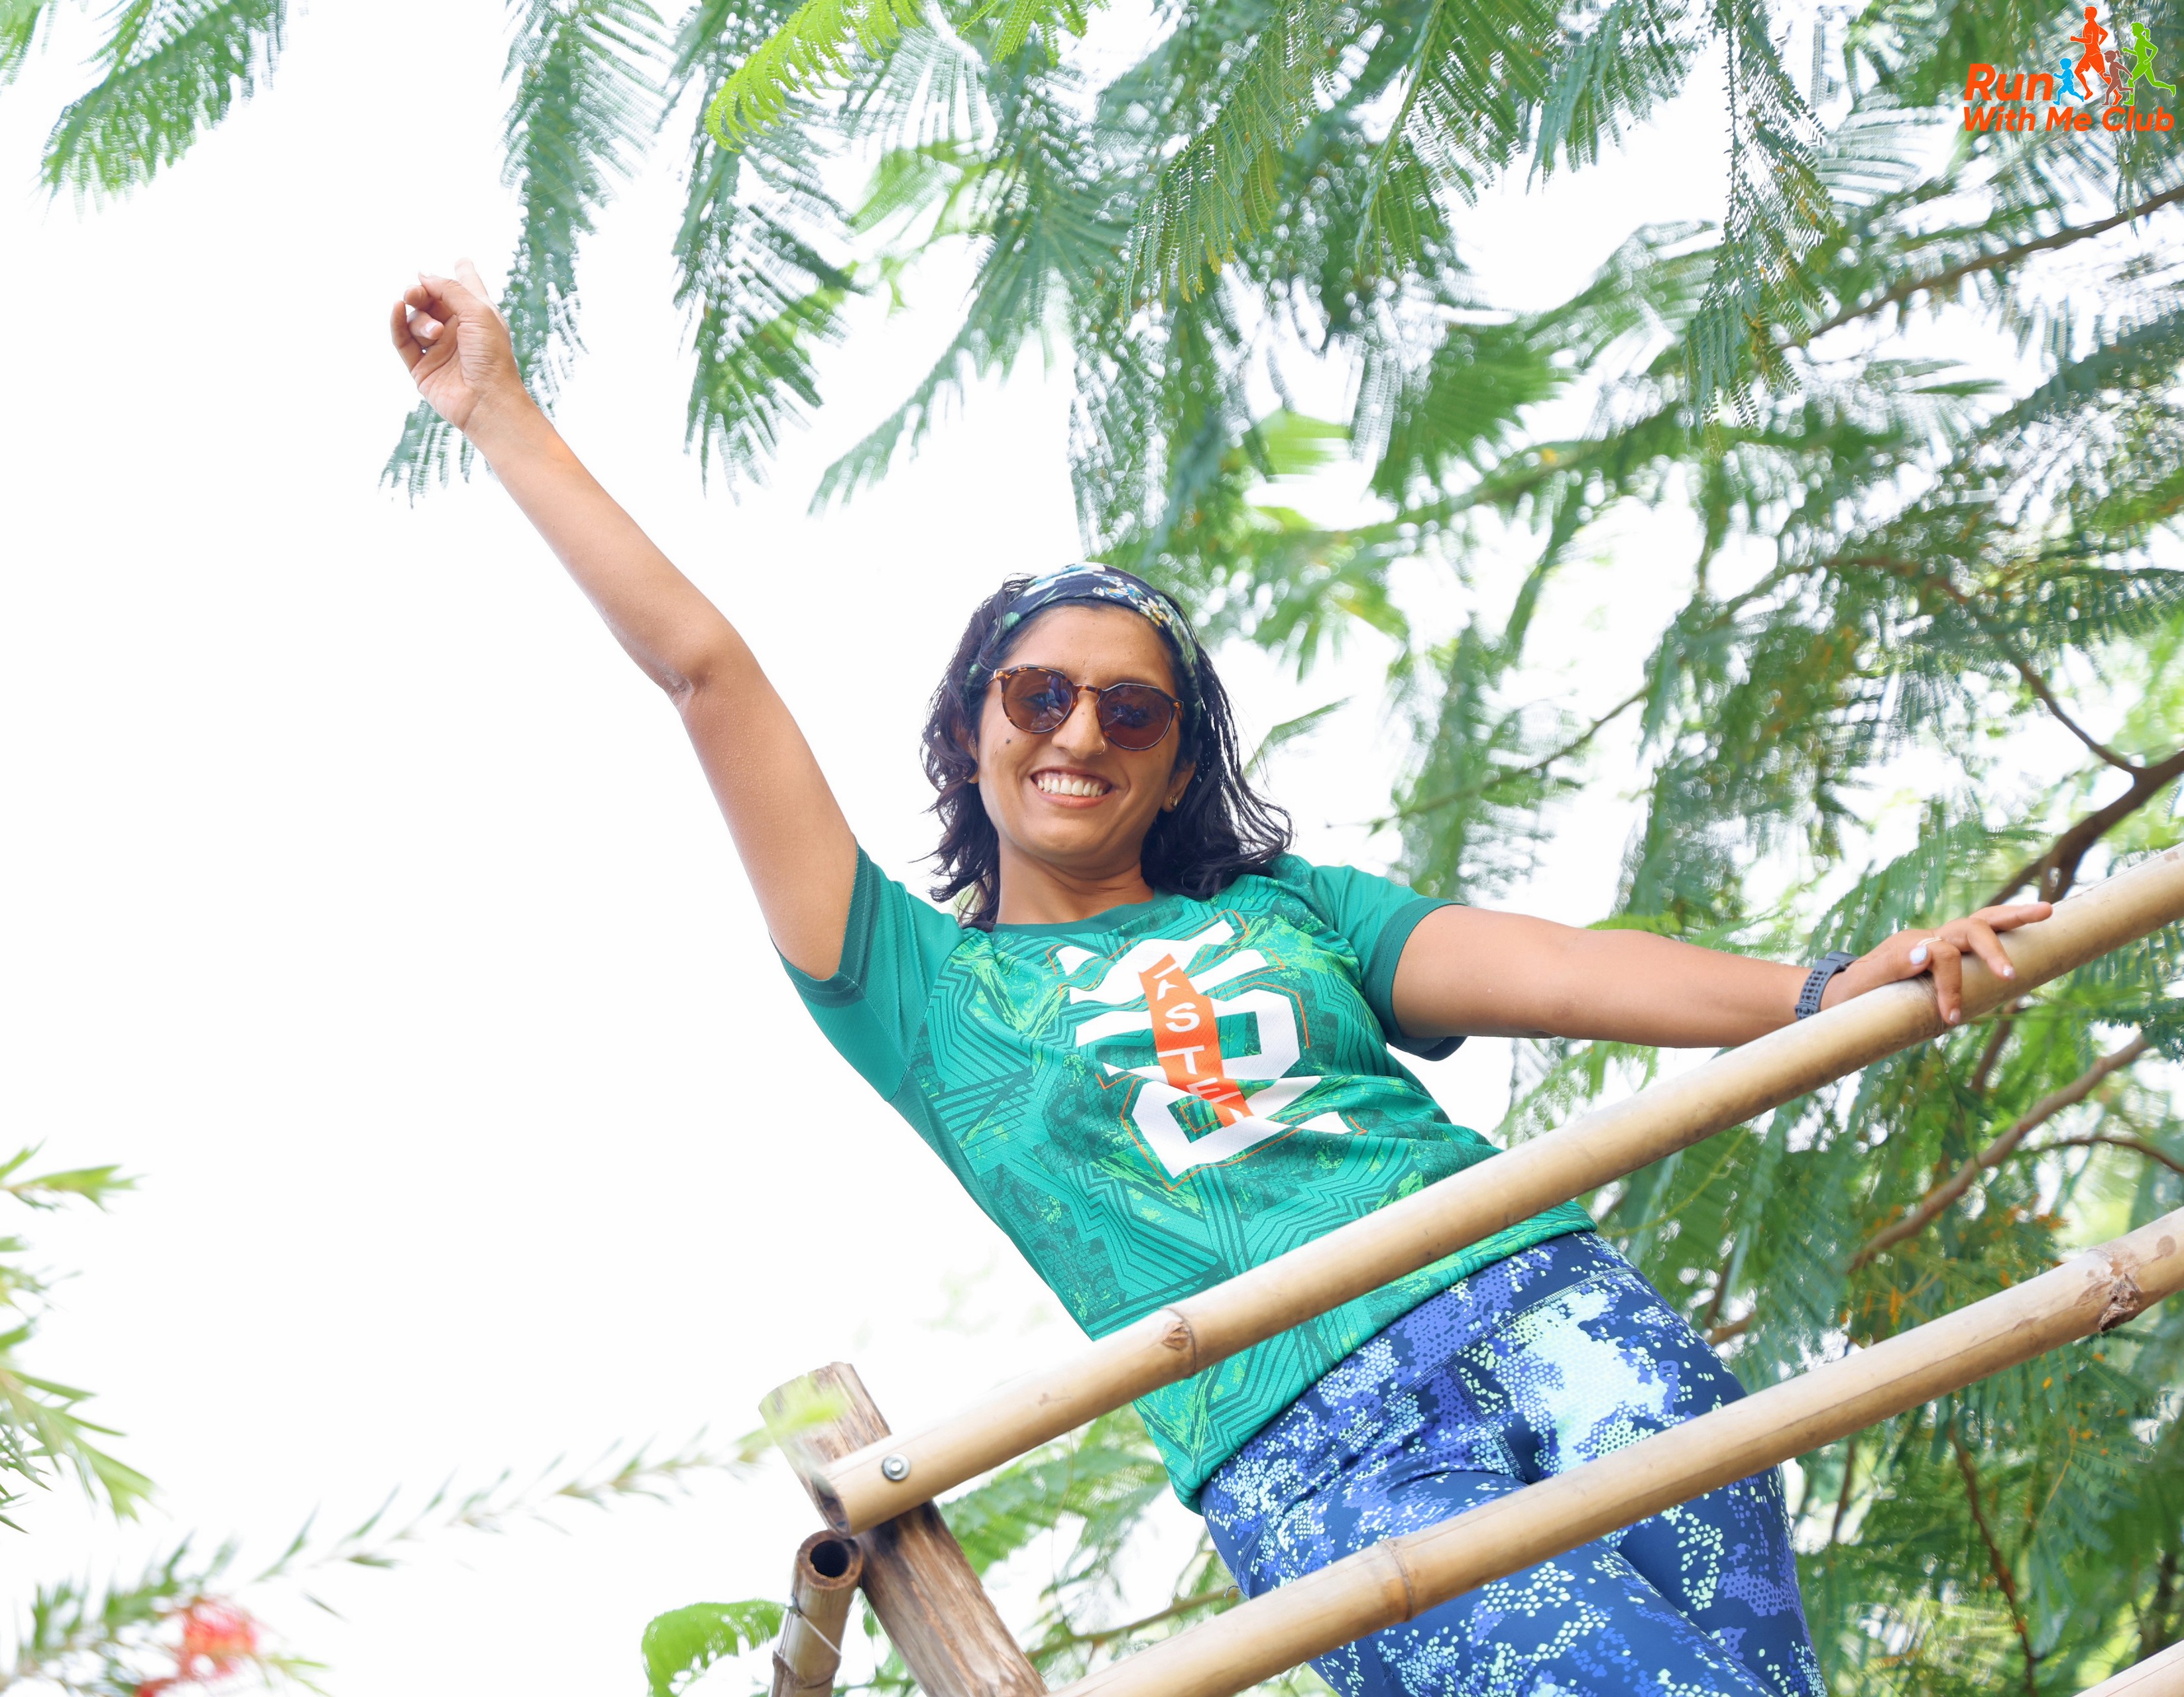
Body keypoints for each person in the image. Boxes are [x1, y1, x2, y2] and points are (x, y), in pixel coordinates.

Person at [389, 263, 2051, 1697]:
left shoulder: (1292, 906)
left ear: (1178, 758)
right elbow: (706, 673)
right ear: (970, 728)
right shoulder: (907, 981)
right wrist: (497, 409)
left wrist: (1823, 987)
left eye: (1132, 709)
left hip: (1552, 1304)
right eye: (1038, 695)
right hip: (1308, 1435)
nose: (1080, 731)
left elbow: (1556, 968)